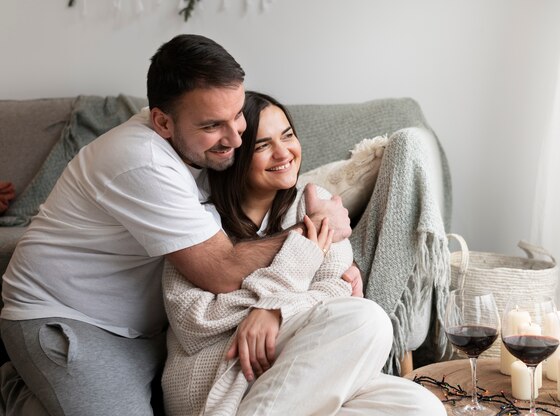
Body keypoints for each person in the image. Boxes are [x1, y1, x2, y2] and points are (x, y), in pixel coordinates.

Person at [0, 35, 356, 416]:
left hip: (149, 331)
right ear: (162, 122)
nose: (236, 138)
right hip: (69, 319)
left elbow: (269, 194)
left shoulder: (202, 144)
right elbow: (222, 270)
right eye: (213, 125)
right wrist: (314, 231)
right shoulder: (145, 162)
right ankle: (20, 391)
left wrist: (335, 269)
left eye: (237, 115)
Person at [161, 91, 445, 415]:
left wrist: (273, 310)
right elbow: (195, 320)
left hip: (304, 371)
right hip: (224, 375)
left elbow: (339, 289)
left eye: (288, 136)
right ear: (235, 156)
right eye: (263, 145)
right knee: (368, 321)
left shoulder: (312, 204)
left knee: (419, 407)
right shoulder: (198, 223)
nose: (283, 152)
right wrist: (296, 268)